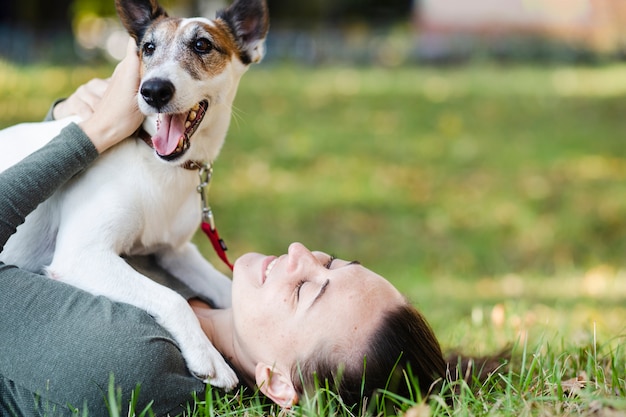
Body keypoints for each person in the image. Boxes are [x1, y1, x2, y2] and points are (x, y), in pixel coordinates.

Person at [0, 40, 446, 416]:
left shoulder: (133, 363)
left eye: (305, 290)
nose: (298, 252)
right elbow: (45, 226)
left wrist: (95, 132)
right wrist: (63, 118)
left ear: (277, 383)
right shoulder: (185, 280)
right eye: (330, 260)